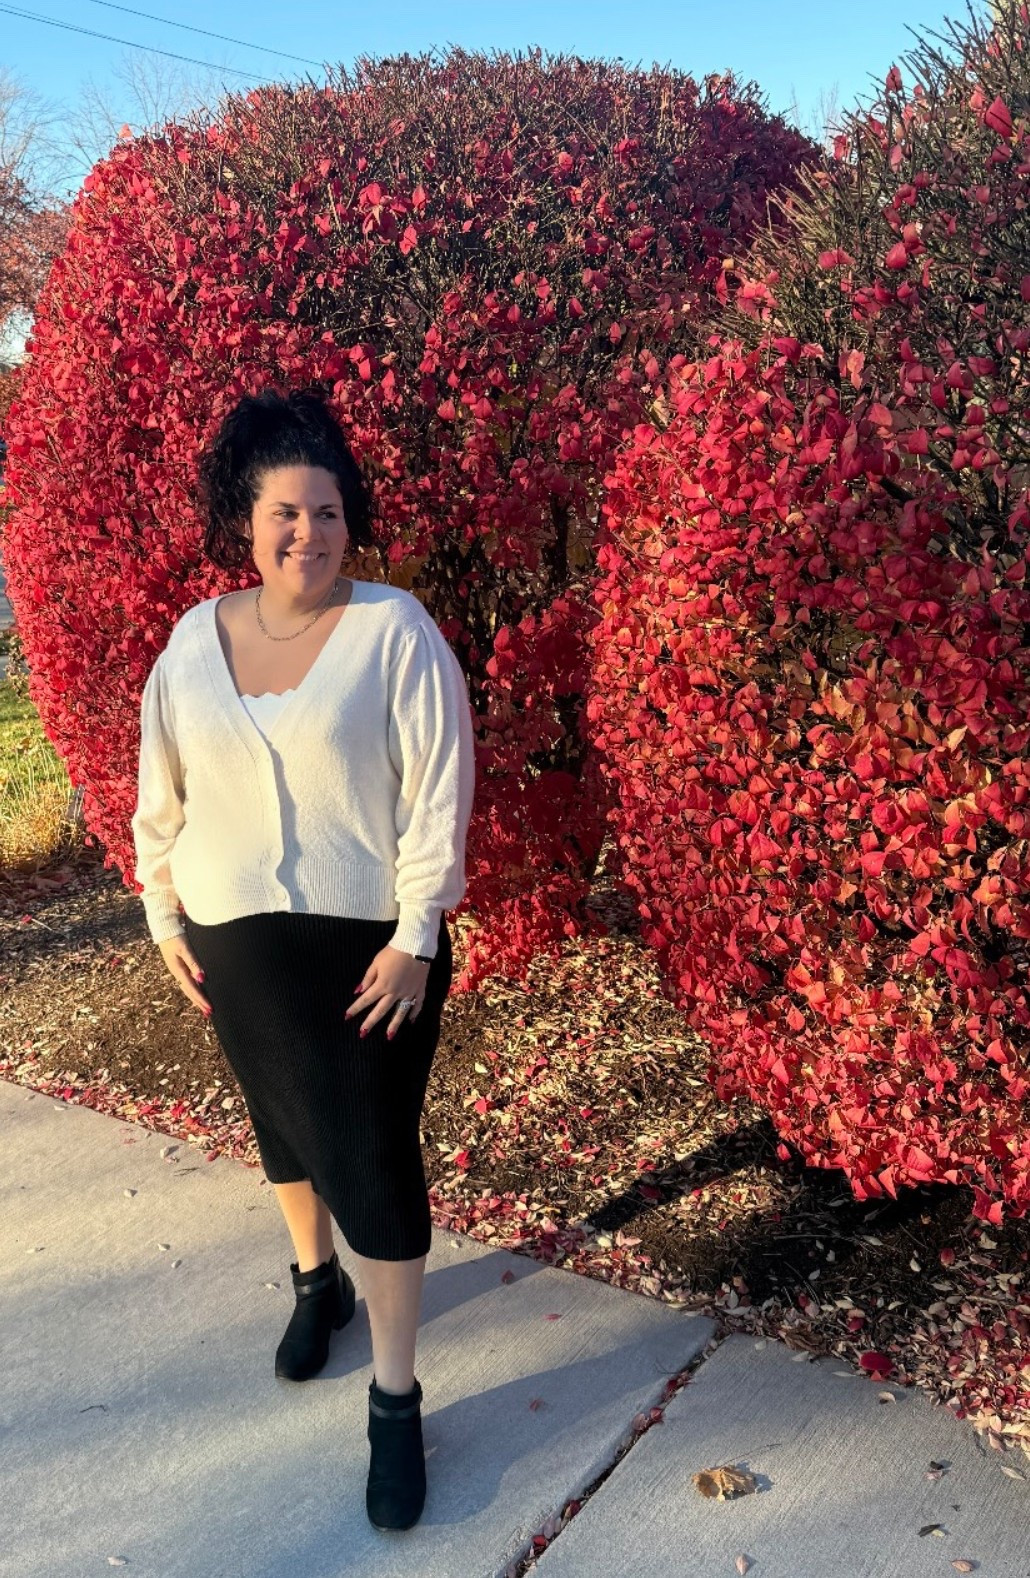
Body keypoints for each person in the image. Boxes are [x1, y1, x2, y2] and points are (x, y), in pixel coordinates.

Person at [130, 386, 476, 1533]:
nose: (308, 535)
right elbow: (160, 791)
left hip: (371, 955)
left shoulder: (395, 629)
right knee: (278, 1122)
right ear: (248, 515)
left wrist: (417, 936)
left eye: (328, 513)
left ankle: (393, 1398)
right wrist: (165, 916)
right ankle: (312, 1284)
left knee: (373, 1158)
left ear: (348, 521)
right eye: (287, 510)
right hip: (234, 942)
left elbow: (439, 795)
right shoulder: (193, 639)